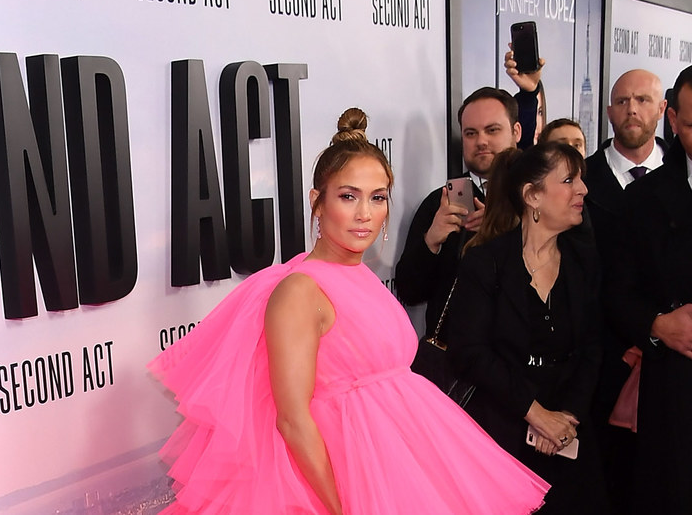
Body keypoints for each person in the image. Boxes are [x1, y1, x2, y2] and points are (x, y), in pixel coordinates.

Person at [150, 109, 547, 514]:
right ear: (317, 203)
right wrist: (344, 508)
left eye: (377, 198)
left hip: (400, 471)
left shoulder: (360, 276)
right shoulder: (299, 290)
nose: (364, 214)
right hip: (336, 484)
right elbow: (291, 420)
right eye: (348, 196)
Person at [449, 143, 605, 513]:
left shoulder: (584, 261)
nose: (582, 189)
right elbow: (470, 353)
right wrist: (535, 414)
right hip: (502, 434)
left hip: (572, 435)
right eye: (569, 180)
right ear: (532, 196)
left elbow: (594, 347)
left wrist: (565, 419)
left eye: (580, 179)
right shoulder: (486, 262)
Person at [609, 65, 692, 512]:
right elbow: (616, 294)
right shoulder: (641, 200)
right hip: (673, 400)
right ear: (674, 121)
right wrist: (657, 325)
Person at [583, 68, 667, 512]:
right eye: (621, 101)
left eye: (642, 99)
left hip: (666, 367)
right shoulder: (579, 181)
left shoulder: (681, 182)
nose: (631, 109)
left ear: (663, 110)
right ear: (609, 110)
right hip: (596, 365)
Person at [396, 87, 522, 341]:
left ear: (516, 132)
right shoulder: (441, 202)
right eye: (471, 133)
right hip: (453, 363)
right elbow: (409, 291)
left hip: (519, 357)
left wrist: (506, 230)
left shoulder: (537, 196)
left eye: (492, 130)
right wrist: (431, 241)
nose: (481, 141)